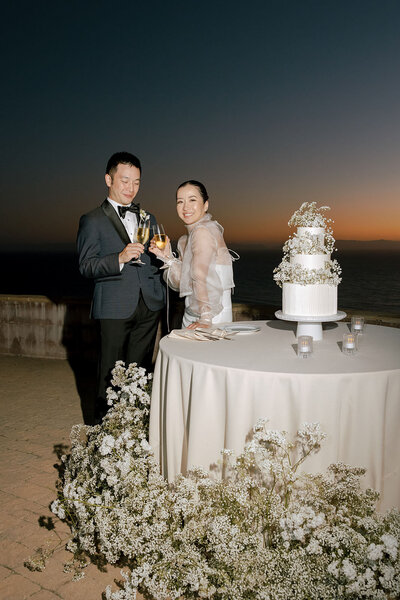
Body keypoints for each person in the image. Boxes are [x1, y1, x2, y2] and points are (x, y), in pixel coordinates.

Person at [77, 152, 165, 423]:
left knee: (139, 373)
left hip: (149, 305)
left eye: (136, 182)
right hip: (113, 307)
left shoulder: (147, 217)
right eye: (124, 181)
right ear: (108, 179)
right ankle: (104, 435)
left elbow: (154, 257)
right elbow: (86, 266)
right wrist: (120, 258)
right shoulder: (92, 219)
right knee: (109, 375)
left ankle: (134, 431)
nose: (131, 188)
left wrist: (162, 254)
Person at [149, 180, 234, 329]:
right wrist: (167, 257)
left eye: (192, 200)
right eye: (180, 202)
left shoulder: (203, 231)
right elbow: (180, 284)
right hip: (191, 314)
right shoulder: (184, 240)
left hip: (212, 316)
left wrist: (206, 319)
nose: (186, 207)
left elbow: (200, 275)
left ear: (205, 205)